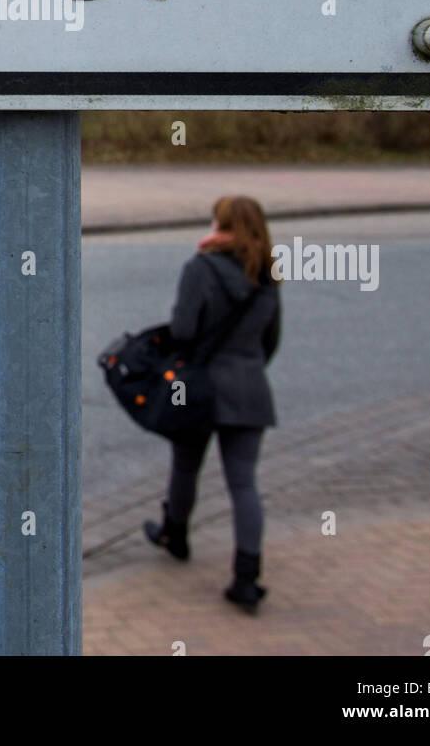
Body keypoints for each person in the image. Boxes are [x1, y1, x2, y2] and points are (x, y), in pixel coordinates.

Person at [143, 195, 282, 613]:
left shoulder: (200, 268)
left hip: (200, 387)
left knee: (186, 465)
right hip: (249, 387)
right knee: (244, 483)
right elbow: (270, 340)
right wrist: (248, 367)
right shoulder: (267, 274)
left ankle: (176, 533)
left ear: (220, 224)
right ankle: (246, 577)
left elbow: (183, 330)